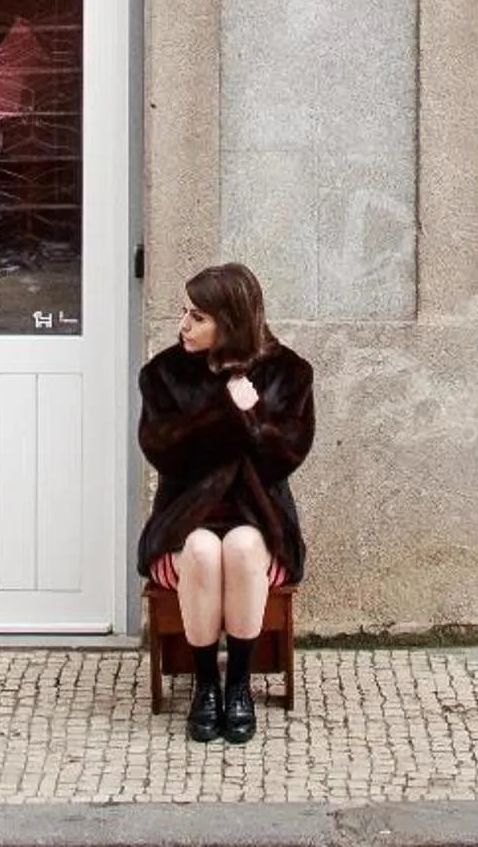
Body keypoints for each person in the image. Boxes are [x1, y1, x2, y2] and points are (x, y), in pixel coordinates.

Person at [138, 262, 314, 745]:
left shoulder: (289, 373)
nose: (183, 327)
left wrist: (253, 416)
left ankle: (238, 685)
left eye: (198, 318)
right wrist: (219, 411)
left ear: (230, 321)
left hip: (260, 517)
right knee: (200, 553)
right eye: (184, 314)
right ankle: (206, 687)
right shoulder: (163, 375)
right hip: (185, 516)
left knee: (239, 550)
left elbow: (286, 458)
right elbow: (162, 452)